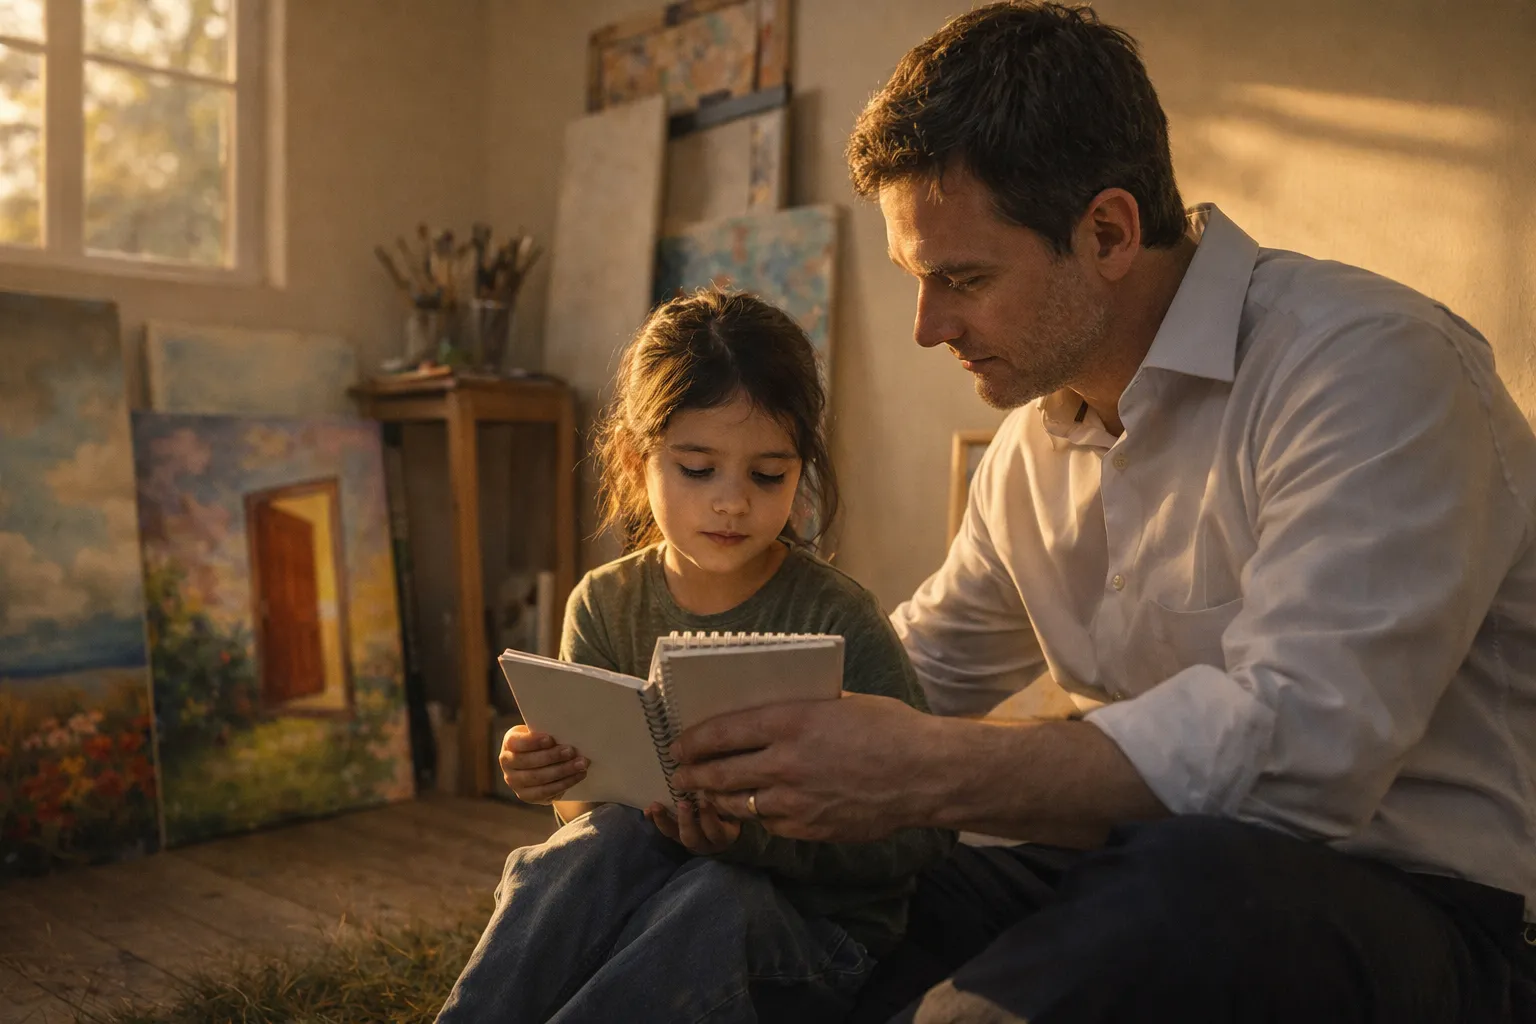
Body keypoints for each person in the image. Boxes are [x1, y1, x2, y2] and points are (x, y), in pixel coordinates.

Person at [665, 4, 1536, 1021]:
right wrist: (715, 742)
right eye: (918, 280)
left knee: (1182, 894)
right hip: (1132, 870)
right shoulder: (1035, 450)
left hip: (1413, 907)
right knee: (793, 906)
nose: (926, 326)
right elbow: (910, 676)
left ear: (1110, 231)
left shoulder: (1368, 365)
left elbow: (1306, 747)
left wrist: (927, 772)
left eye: (963, 278)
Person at [435, 288, 954, 1024]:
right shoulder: (605, 602)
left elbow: (923, 833)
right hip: (657, 892)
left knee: (716, 898)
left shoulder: (835, 617)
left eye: (768, 475)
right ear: (636, 458)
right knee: (583, 851)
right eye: (698, 469)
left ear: (802, 467)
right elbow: (586, 818)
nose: (731, 503)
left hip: (816, 929)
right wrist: (551, 772)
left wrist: (756, 838)